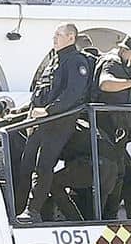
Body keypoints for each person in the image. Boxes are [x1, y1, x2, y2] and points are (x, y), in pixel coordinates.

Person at [16, 23, 92, 224]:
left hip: (59, 121)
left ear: (71, 37)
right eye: (54, 35)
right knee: (27, 163)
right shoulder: (54, 60)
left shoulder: (76, 61)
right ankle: (20, 207)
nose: (54, 38)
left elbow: (72, 94)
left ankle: (33, 210)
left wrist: (48, 111)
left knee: (44, 165)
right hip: (41, 121)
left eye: (59, 34)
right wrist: (32, 113)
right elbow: (40, 90)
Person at [95, 35, 131, 219]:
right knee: (113, 182)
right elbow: (105, 84)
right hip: (105, 134)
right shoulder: (111, 62)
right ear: (124, 49)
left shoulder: (125, 67)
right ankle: (108, 222)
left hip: (117, 136)